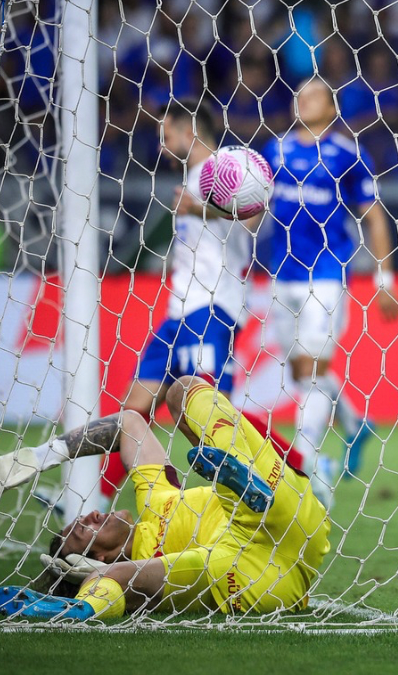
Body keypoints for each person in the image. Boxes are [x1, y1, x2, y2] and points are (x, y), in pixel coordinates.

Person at [0, 376, 330, 619]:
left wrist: (45, 454)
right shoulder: (143, 569)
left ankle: (241, 475)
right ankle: (75, 609)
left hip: (280, 510)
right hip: (251, 575)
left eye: (81, 518)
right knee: (124, 576)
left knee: (181, 391)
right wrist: (91, 584)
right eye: (82, 530)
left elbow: (129, 423)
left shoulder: (154, 500)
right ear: (96, 557)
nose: (89, 516)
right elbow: (117, 577)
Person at [106, 98, 256, 507]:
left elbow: (253, 215)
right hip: (177, 312)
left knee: (209, 416)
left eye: (166, 134)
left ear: (189, 131)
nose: (161, 144)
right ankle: (93, 500)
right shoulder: (191, 177)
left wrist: (200, 208)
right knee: (133, 411)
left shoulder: (225, 166)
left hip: (212, 306)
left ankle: (280, 478)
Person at [263, 78, 398, 503]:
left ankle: (306, 464)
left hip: (325, 274)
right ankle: (355, 421)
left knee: (314, 368)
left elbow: (373, 216)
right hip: (279, 272)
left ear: (332, 106)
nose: (303, 100)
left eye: (314, 95)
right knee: (301, 372)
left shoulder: (348, 154)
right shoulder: (275, 150)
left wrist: (384, 279)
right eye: (299, 94)